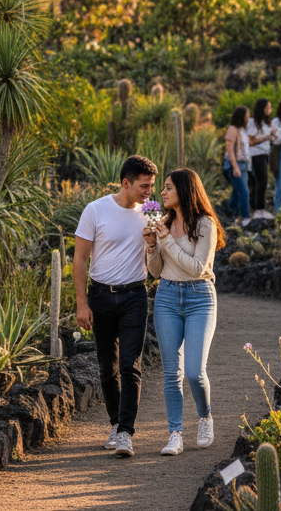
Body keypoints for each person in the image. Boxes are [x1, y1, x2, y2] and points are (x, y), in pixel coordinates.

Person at [73, 155, 158, 458]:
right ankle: (114, 423)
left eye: (152, 186)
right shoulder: (95, 210)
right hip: (101, 296)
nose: (149, 192)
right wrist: (82, 303)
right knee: (107, 367)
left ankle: (126, 432)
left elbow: (157, 260)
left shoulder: (150, 215)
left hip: (135, 295)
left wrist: (152, 242)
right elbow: (80, 260)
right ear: (126, 183)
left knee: (129, 366)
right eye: (144, 186)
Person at [143, 169, 226, 456]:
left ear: (185, 190)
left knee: (194, 371)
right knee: (171, 373)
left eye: (167, 188)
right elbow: (155, 272)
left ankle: (205, 417)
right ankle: (175, 433)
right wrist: (152, 246)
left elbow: (197, 268)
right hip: (166, 296)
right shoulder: (164, 223)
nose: (162, 193)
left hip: (200, 297)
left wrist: (165, 241)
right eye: (162, 188)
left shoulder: (206, 224)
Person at [246, 97, 277, 220]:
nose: (270, 110)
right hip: (256, 155)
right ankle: (259, 209)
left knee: (259, 182)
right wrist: (267, 136)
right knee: (261, 182)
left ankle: (255, 209)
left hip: (264, 154)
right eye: (267, 107)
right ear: (261, 109)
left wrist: (272, 137)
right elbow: (251, 141)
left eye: (270, 107)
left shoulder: (264, 123)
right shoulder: (252, 122)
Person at [224, 105, 251, 227]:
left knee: (237, 191)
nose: (248, 118)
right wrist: (235, 167)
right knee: (244, 192)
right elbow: (229, 149)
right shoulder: (232, 129)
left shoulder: (242, 130)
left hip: (244, 164)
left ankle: (230, 213)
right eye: (247, 115)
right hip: (236, 164)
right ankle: (245, 217)